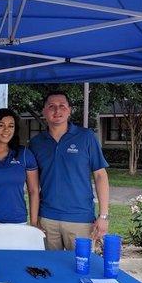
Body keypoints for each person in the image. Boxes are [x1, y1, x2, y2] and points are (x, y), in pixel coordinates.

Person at [28, 92, 109, 251]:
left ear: (69, 110)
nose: (57, 110)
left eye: (62, 106)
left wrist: (103, 216)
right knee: (49, 270)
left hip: (80, 219)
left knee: (80, 269)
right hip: (47, 220)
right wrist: (34, 220)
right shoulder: (36, 143)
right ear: (44, 111)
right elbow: (33, 187)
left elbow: (100, 175)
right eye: (51, 106)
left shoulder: (86, 137)